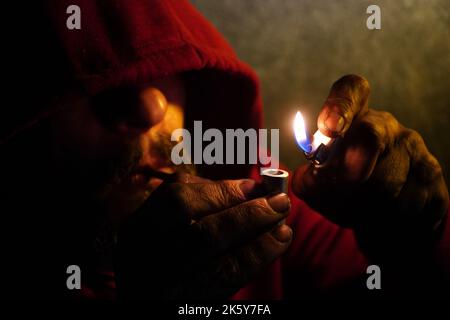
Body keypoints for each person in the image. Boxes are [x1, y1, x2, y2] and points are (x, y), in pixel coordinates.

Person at [1, 0, 448, 299]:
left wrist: (420, 242)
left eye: (159, 64)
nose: (150, 105)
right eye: (91, 80)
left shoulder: (266, 200)